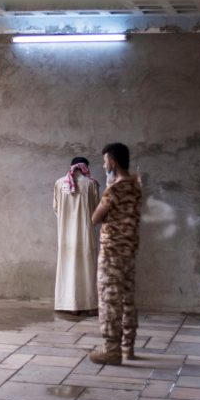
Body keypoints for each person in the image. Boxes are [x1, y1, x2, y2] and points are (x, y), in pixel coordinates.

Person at [89, 143, 142, 365]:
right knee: (127, 298)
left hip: (111, 254)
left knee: (109, 300)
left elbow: (95, 217)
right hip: (129, 253)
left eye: (104, 161)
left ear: (113, 161)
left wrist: (108, 187)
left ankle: (111, 350)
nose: (103, 165)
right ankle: (127, 347)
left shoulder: (114, 191)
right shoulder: (135, 186)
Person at [53, 156, 100, 314]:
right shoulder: (91, 184)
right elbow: (95, 210)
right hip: (85, 235)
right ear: (85, 167)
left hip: (66, 235)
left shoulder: (60, 184)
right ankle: (90, 305)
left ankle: (71, 306)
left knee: (68, 269)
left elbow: (56, 208)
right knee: (87, 269)